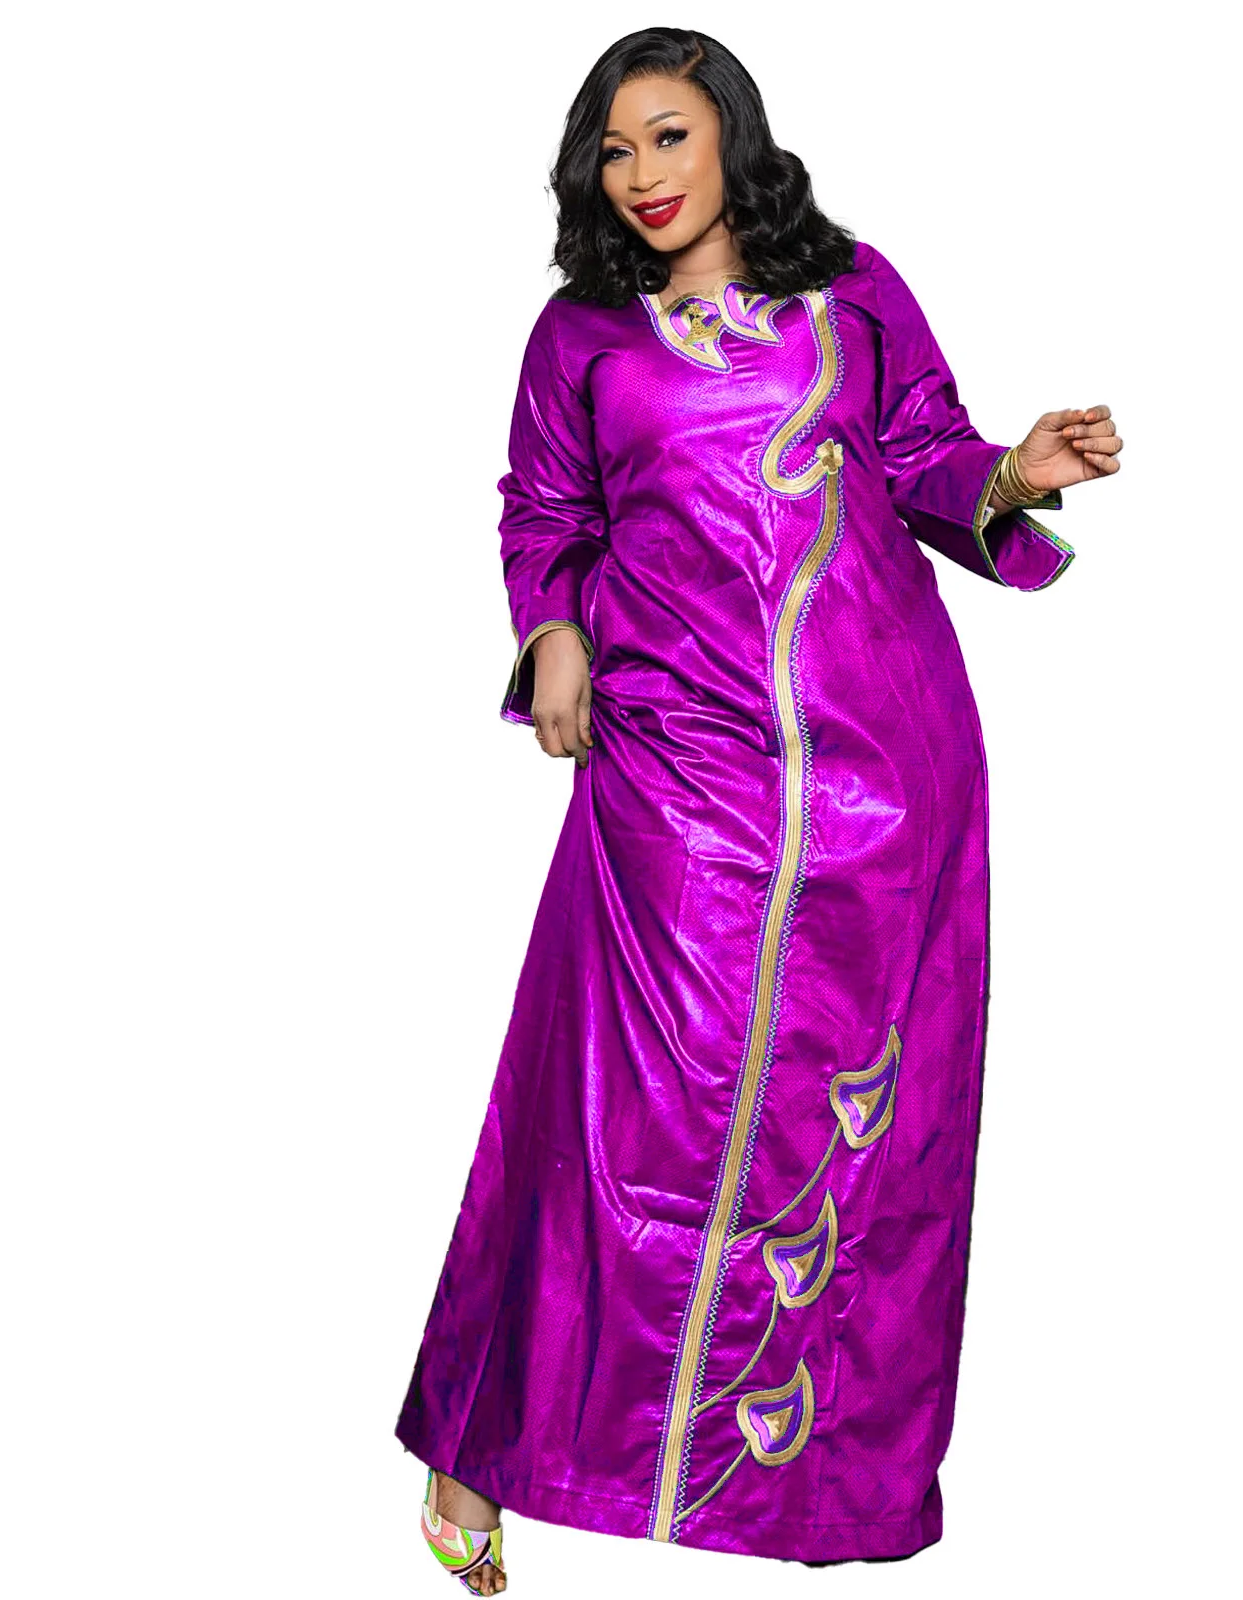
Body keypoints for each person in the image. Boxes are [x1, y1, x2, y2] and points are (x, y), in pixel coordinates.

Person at [396, 26, 1122, 1591]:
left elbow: (925, 457)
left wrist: (1012, 473)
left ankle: (804, 1494)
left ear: (731, 133)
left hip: (881, 782)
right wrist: (555, 628)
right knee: (597, 1111)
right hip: (673, 775)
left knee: (861, 1140)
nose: (641, 173)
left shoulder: (853, 290)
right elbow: (544, 507)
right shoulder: (581, 335)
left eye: (668, 135)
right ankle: (484, 1442)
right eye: (614, 149)